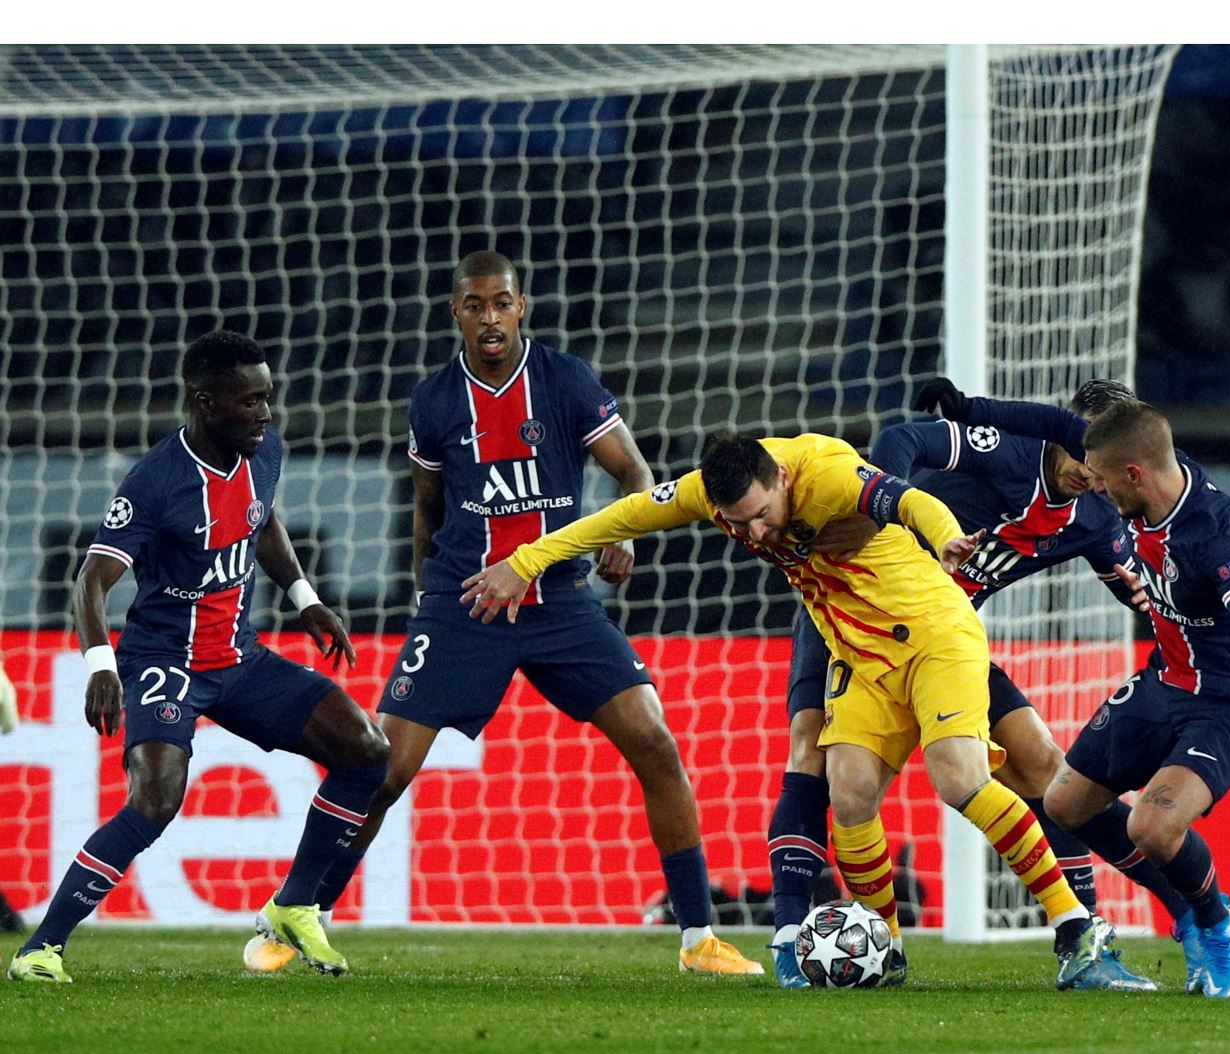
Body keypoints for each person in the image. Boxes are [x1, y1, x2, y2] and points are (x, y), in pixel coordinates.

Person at [462, 431, 1147, 990]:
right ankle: (886, 948)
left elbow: (907, 499)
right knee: (847, 794)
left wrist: (945, 540)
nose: (754, 532)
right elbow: (620, 516)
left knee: (958, 777)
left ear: (783, 483)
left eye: (761, 514)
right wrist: (525, 561)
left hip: (935, 635)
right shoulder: (712, 494)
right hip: (858, 651)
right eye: (737, 523)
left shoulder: (829, 472)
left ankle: (1076, 929)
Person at [242, 251, 760, 977]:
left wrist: (626, 532)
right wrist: (430, 602)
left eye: (503, 302)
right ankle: (297, 916)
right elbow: (426, 508)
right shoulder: (434, 401)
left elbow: (636, 474)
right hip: (466, 609)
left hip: (560, 604)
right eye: (476, 305)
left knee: (657, 744)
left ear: (523, 307)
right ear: (456, 313)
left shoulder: (567, 381)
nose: (491, 317)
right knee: (382, 771)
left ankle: (699, 938)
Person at [763, 381, 1217, 989]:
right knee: (814, 751)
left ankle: (1147, 922)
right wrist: (877, 510)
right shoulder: (1001, 450)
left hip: (939, 641)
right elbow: (902, 438)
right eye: (1082, 450)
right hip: (847, 610)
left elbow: (1140, 592)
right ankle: (790, 941)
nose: (1090, 470)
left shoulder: (1097, 518)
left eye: (1102, 461)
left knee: (1046, 768)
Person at [7, 331, 389, 983]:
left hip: (239, 660)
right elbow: (91, 580)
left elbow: (262, 520)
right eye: (251, 402)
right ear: (206, 403)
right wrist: (102, 666)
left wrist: (304, 598)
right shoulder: (157, 481)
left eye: (268, 398)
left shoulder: (262, 452)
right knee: (155, 799)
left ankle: (295, 903)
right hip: (165, 662)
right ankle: (41, 948)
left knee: (368, 751)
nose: (266, 414)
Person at [918, 383, 1230, 998]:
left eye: (1101, 478)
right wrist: (968, 409)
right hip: (1160, 682)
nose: (1094, 486)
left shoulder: (1217, 533)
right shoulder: (1143, 488)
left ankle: (1210, 919)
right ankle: (1186, 906)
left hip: (1225, 701)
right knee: (1064, 803)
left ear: (1132, 473)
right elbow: (1048, 420)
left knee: (1153, 827)